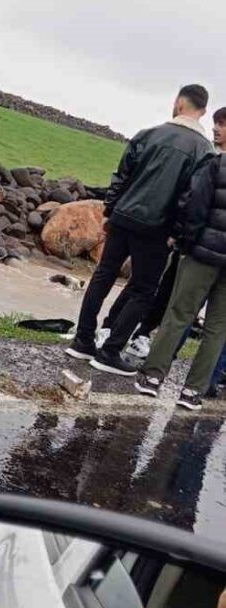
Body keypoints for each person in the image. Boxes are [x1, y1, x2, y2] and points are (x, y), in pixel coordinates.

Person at [66, 84, 214, 375]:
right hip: (158, 228)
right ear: (204, 112)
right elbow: (191, 198)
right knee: (143, 290)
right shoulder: (204, 151)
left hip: (123, 216)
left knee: (103, 275)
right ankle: (110, 352)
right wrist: (178, 233)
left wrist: (110, 210)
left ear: (178, 103)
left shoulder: (148, 134)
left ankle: (83, 340)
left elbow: (122, 174)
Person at [135, 150, 226, 411]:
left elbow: (195, 203)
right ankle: (193, 391)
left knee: (179, 314)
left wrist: (187, 240)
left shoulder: (216, 164)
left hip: (202, 253)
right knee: (217, 328)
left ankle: (152, 376)